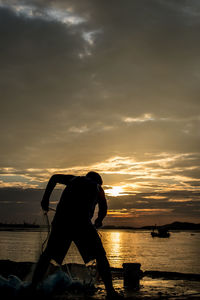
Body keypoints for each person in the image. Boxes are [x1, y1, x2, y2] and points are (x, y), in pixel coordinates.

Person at [31, 171, 122, 299]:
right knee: (100, 255)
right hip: (82, 224)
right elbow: (103, 208)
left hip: (62, 222)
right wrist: (99, 220)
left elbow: (54, 178)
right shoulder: (97, 187)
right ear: (98, 182)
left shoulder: (74, 179)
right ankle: (110, 292)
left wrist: (45, 199)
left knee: (47, 255)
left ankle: (33, 287)